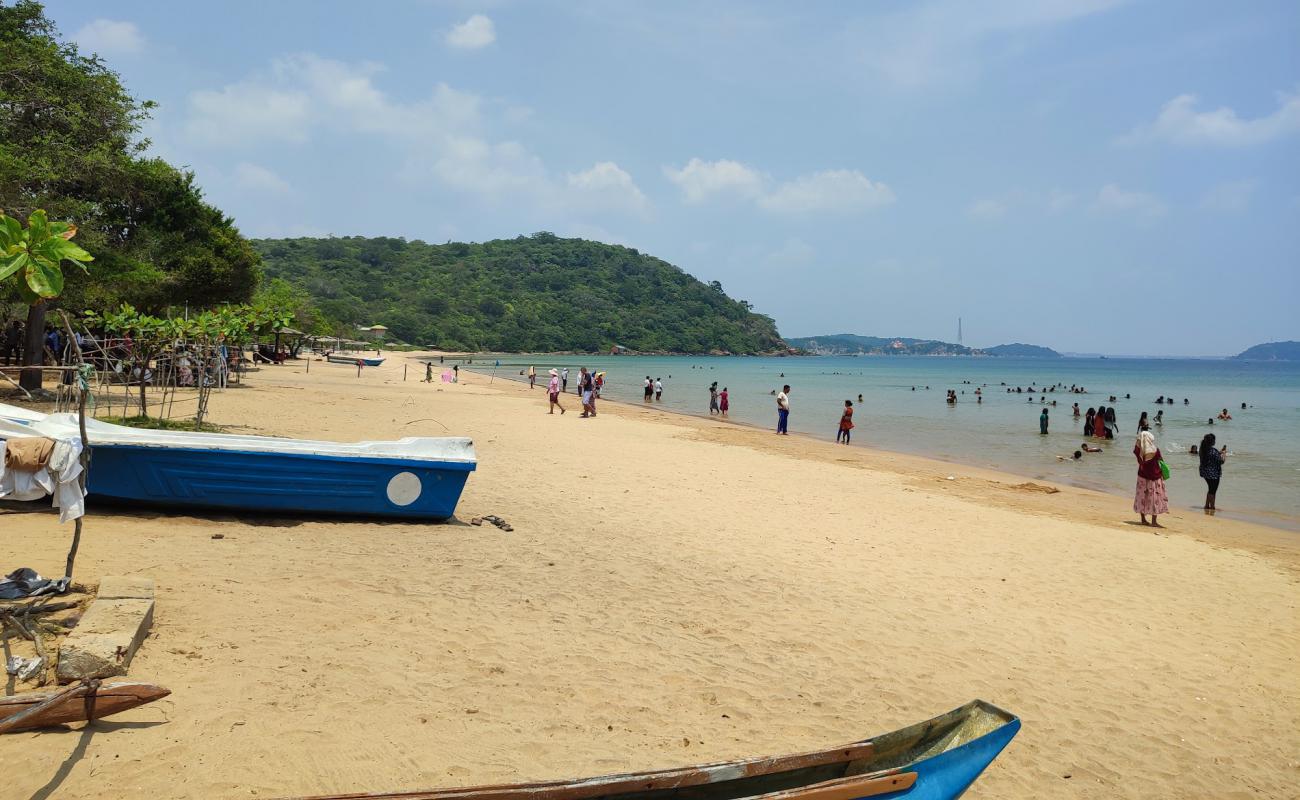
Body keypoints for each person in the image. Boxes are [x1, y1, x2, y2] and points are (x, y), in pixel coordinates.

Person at [1133, 427, 1168, 527]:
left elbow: (1137, 452)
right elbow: (1161, 461)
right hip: (1155, 477)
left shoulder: (1139, 450)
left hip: (1142, 476)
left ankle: (1143, 519)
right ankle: (1154, 521)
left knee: (1142, 497)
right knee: (1154, 498)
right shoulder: (1155, 451)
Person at [1199, 433, 1225, 512]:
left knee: (1210, 489)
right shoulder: (1213, 451)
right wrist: (1224, 454)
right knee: (1213, 490)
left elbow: (1213, 456)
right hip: (1213, 474)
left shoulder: (1203, 449)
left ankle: (1207, 505)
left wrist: (1220, 452)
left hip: (1205, 472)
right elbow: (1221, 461)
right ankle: (1212, 506)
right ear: (1212, 441)